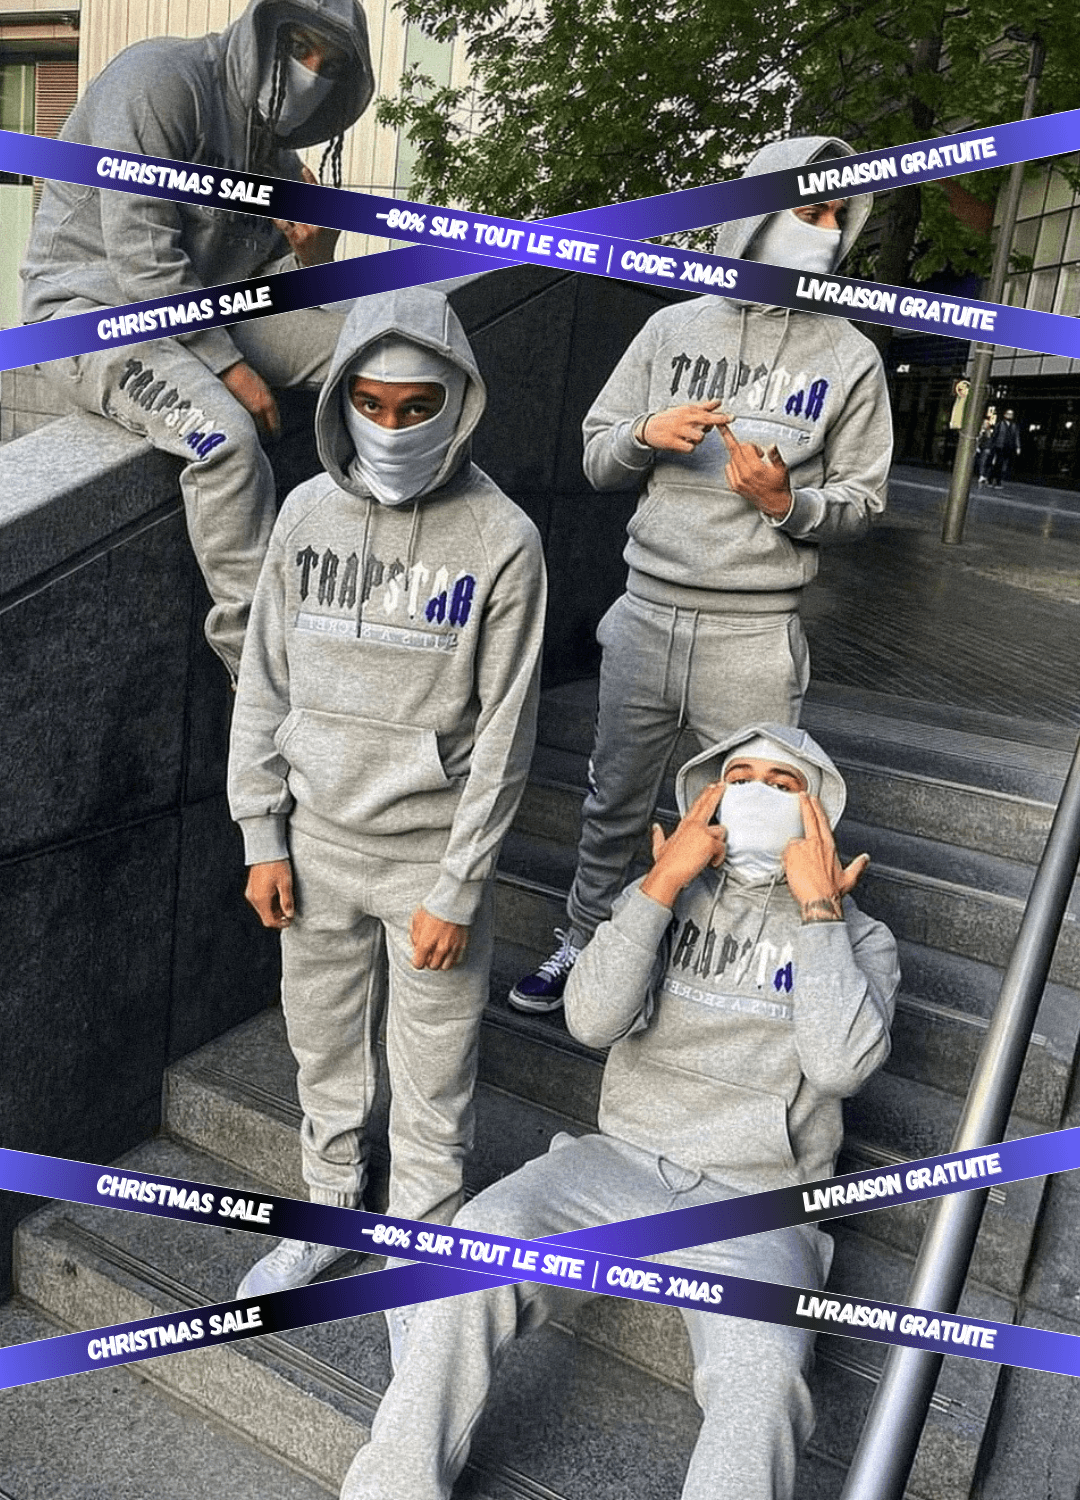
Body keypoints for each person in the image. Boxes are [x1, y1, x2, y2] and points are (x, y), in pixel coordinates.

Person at [341, 724, 900, 1500]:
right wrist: (661, 884)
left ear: (819, 815)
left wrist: (819, 911)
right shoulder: (664, 897)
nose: (758, 795)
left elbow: (841, 1067)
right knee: (476, 1244)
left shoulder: (862, 939)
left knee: (766, 1375)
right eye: (741, 777)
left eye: (784, 785)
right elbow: (591, 1018)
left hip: (758, 1204)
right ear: (709, 797)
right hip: (618, 1161)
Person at [510, 135, 893, 1015]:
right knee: (614, 799)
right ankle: (587, 942)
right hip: (646, 611)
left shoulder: (849, 355)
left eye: (839, 215)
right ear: (757, 212)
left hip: (755, 631)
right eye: (809, 209)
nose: (827, 229)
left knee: (755, 822)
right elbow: (596, 455)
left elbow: (866, 501)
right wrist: (644, 434)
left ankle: (705, 977)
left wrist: (787, 503)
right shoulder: (671, 328)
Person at [227, 285, 546, 1297]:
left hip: (427, 859)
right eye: (370, 403)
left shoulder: (503, 538)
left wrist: (459, 886)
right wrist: (260, 833)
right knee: (320, 1047)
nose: (393, 427)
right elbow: (264, 680)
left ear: (460, 402)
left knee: (434, 1065)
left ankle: (421, 1244)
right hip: (314, 843)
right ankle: (327, 1209)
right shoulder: (303, 513)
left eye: (418, 406)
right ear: (340, 402)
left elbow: (507, 732)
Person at [20, 0, 375, 679]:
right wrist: (229, 369)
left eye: (330, 64)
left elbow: (265, 283)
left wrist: (314, 259)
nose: (312, 73)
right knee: (225, 440)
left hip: (210, 310)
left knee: (376, 355)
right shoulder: (157, 81)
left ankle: (379, 581)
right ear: (263, 31)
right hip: (88, 311)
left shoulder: (277, 158)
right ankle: (262, 675)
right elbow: (142, 258)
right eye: (301, 47)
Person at [988, 409, 1021, 487]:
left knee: (1002, 464)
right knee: (998, 463)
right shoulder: (1000, 424)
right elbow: (994, 436)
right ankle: (994, 480)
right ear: (1005, 415)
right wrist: (991, 446)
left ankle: (995, 480)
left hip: (1008, 447)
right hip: (999, 446)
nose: (1010, 415)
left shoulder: (1014, 426)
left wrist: (1018, 447)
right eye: (1008, 414)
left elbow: (1016, 437)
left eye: (1011, 414)